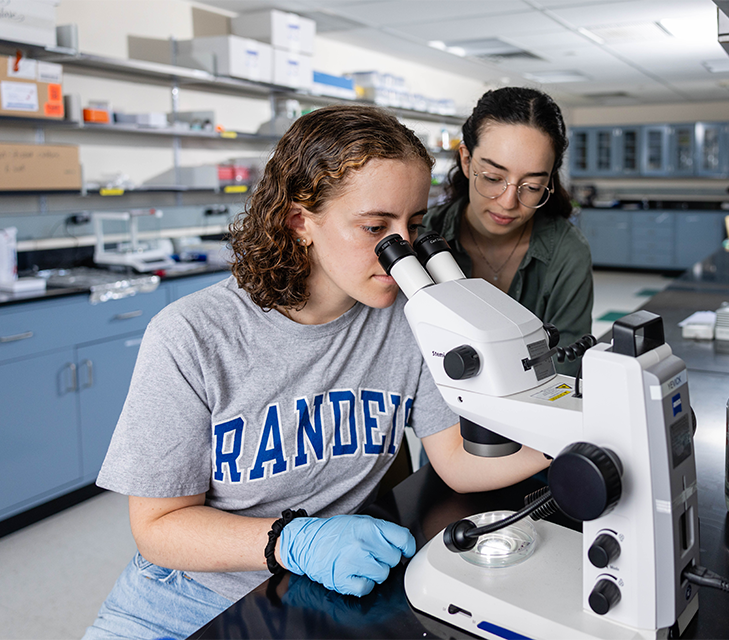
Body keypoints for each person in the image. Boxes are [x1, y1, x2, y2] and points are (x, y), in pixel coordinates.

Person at [83, 105, 549, 640]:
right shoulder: (193, 335)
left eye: (413, 227)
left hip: (317, 596)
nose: (399, 252)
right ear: (299, 221)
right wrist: (293, 541)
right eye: (376, 226)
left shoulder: (411, 321)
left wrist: (575, 435)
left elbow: (458, 464)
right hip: (186, 597)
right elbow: (158, 529)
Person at [422, 87, 594, 376]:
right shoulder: (425, 234)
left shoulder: (567, 253)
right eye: (492, 178)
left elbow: (568, 368)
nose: (508, 202)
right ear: (466, 160)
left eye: (532, 186)